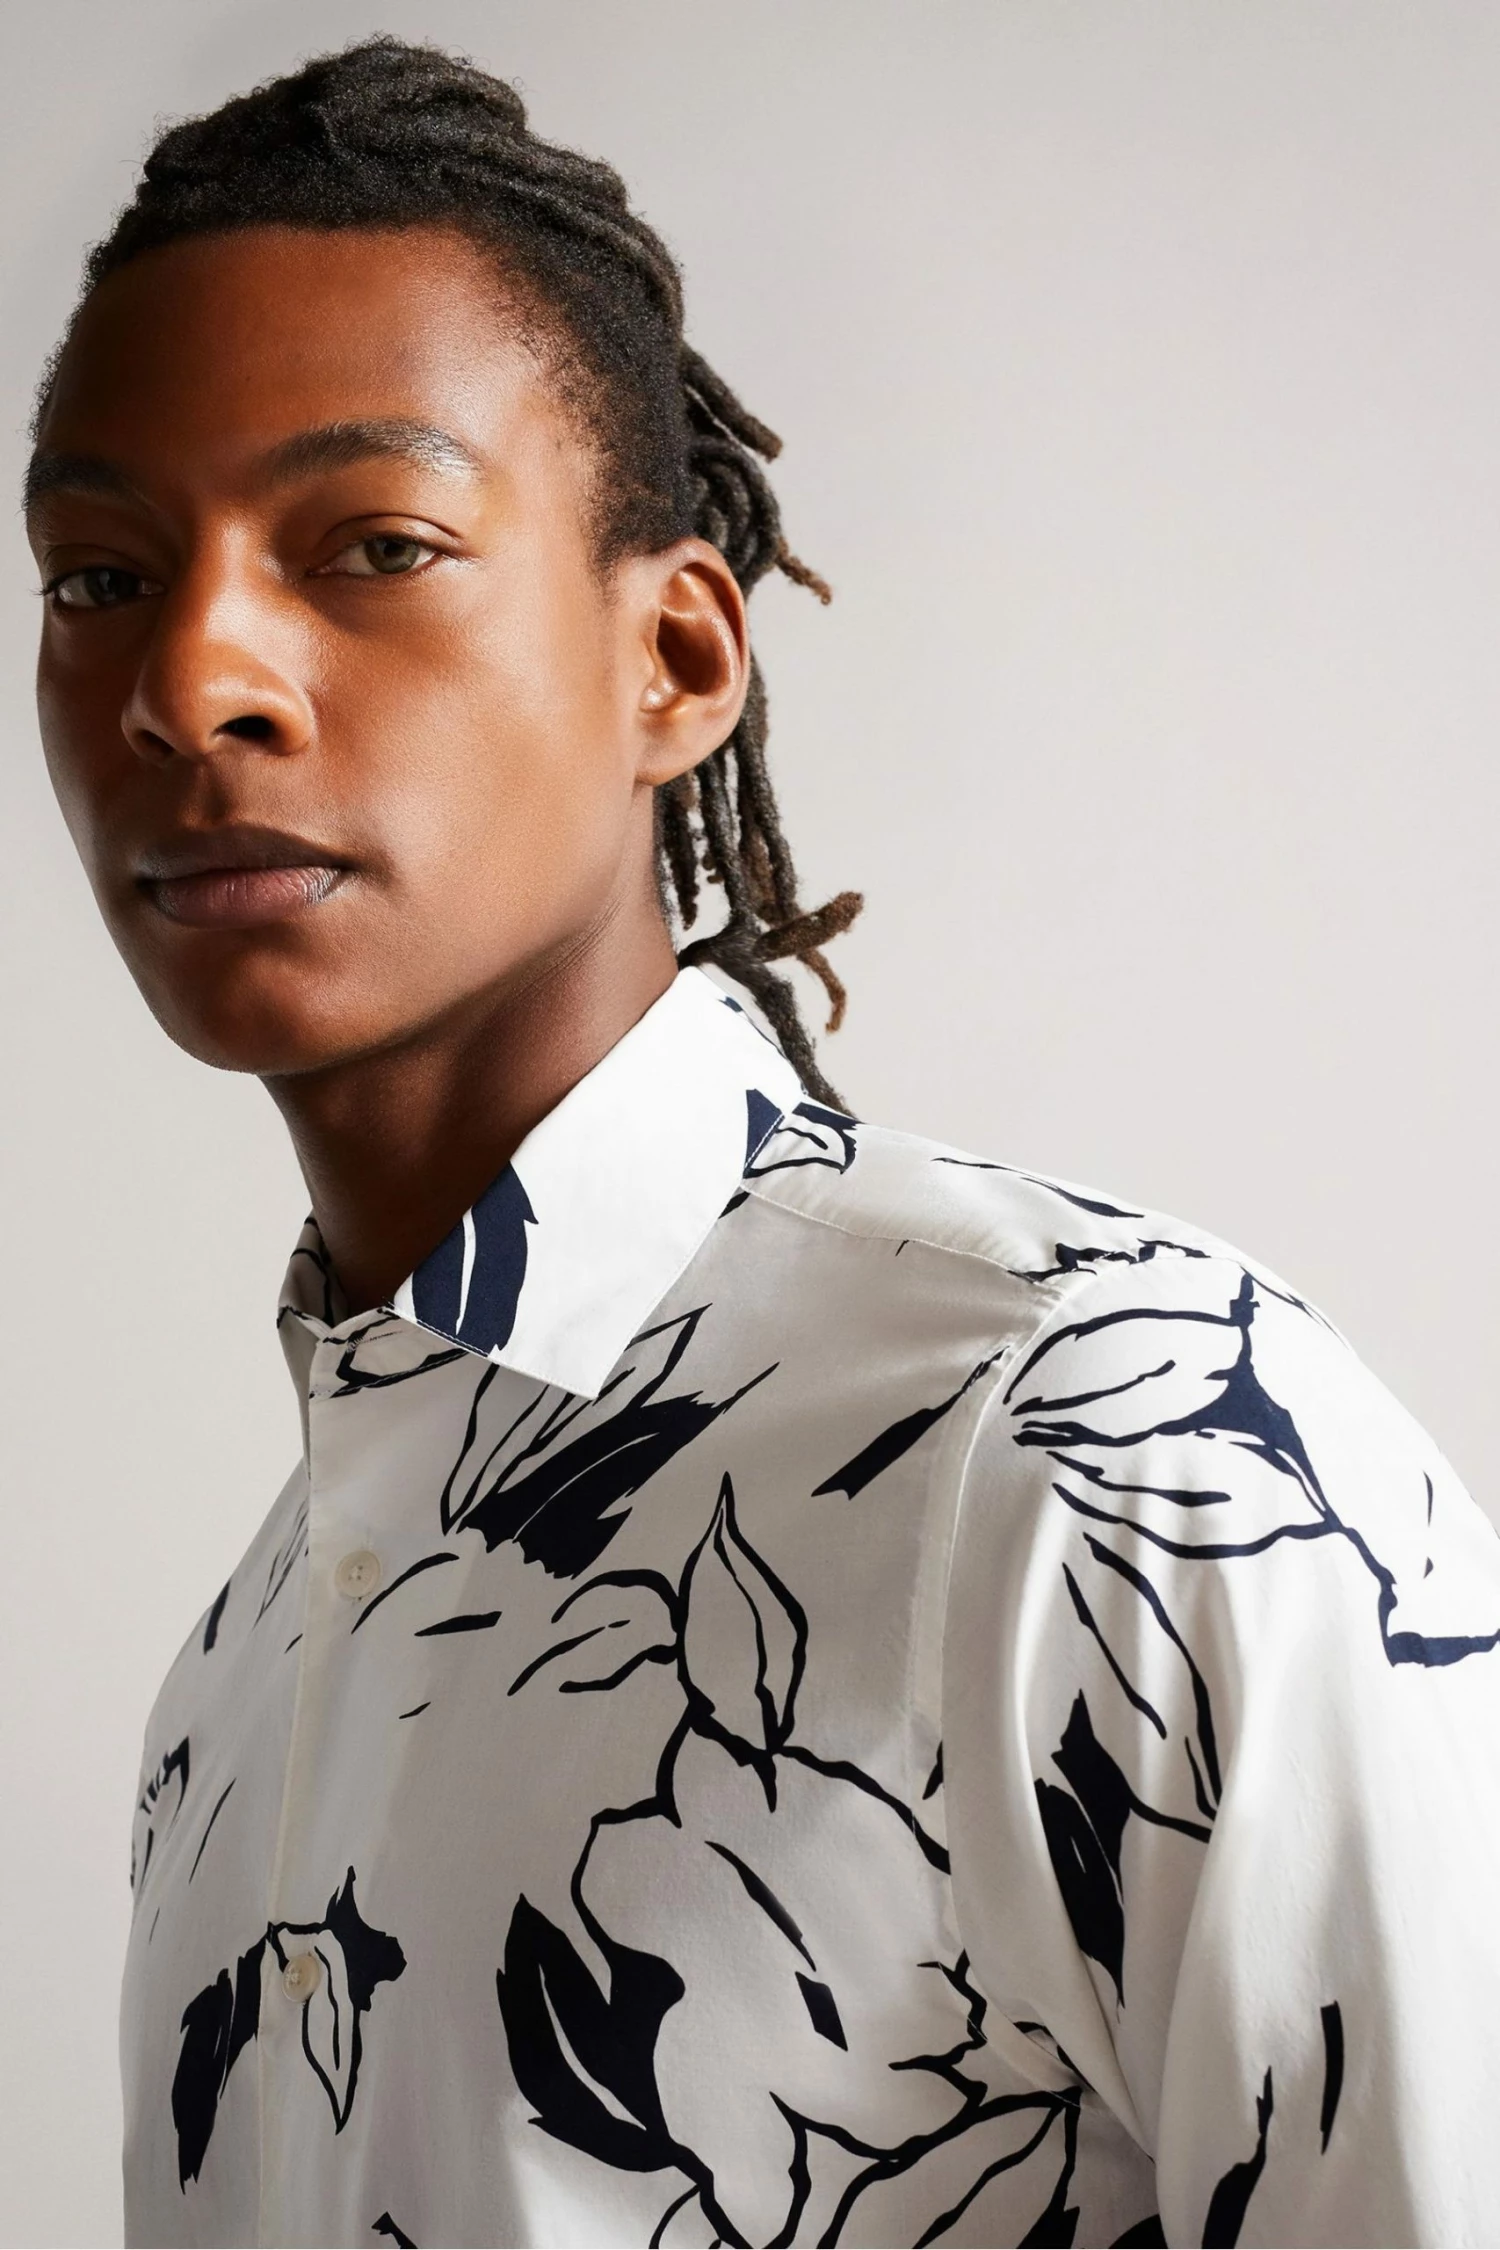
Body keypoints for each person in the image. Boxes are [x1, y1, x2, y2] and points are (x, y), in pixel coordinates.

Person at [25, 34, 1500, 2250]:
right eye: (99, 576)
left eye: (377, 545)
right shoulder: (235, 1688)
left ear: (678, 658)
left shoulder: (1119, 1456)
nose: (191, 679)